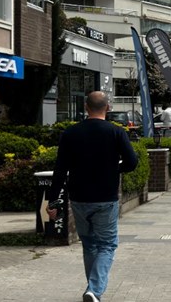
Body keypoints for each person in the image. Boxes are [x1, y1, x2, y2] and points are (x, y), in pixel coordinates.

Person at [47, 91, 138, 302]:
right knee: (107, 245)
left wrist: (53, 201)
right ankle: (94, 291)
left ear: (86, 108)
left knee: (89, 245)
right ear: (108, 108)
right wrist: (114, 169)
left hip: (79, 198)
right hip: (106, 197)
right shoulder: (116, 132)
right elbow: (132, 162)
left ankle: (93, 291)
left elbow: (60, 170)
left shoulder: (70, 133)